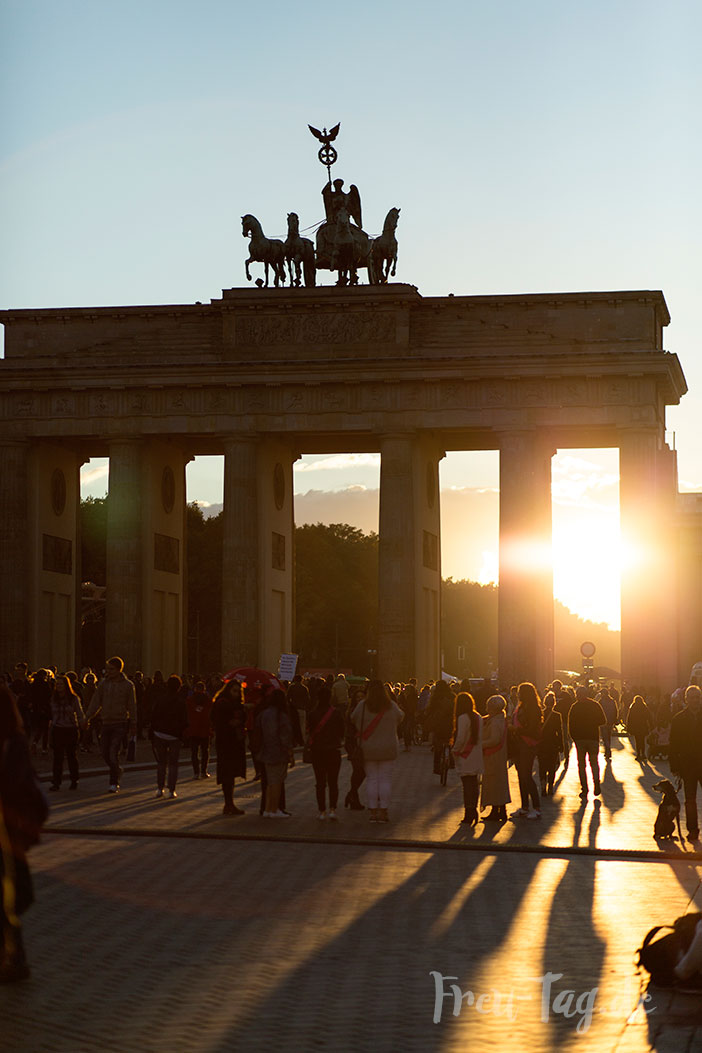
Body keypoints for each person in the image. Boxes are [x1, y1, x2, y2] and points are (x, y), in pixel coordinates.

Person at [0, 684, 47, 982]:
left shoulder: (12, 743)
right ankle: (15, 959)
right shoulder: (14, 742)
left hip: (6, 832)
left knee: (10, 896)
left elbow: (17, 786)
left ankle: (15, 960)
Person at [83, 657, 137, 793]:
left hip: (120, 723)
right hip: (106, 722)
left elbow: (132, 706)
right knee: (104, 752)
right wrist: (87, 717)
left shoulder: (128, 685)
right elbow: (96, 702)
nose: (108, 672)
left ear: (119, 669)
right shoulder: (103, 684)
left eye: (111, 669)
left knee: (113, 752)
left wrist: (134, 723)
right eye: (107, 669)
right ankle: (117, 769)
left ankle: (114, 782)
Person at [352, 679, 402, 823]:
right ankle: (384, 811)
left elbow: (353, 718)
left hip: (368, 748)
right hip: (388, 748)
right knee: (385, 780)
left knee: (372, 780)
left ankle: (373, 812)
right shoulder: (391, 705)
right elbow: (401, 717)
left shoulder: (362, 705)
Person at [669, 685, 702, 843]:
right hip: (688, 765)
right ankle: (693, 830)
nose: (695, 700)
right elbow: (673, 744)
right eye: (692, 698)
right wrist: (675, 766)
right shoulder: (679, 719)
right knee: (690, 799)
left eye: (698, 697)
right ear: (686, 699)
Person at [307, 686, 345, 820]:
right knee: (333, 782)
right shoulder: (336, 713)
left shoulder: (312, 713)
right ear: (330, 698)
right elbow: (342, 731)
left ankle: (321, 811)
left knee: (320, 782)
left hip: (317, 751)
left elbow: (310, 731)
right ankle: (333, 809)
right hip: (333, 750)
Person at [211, 679, 247, 815]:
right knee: (227, 774)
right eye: (234, 691)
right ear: (228, 690)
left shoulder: (236, 705)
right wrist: (231, 723)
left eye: (239, 691)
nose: (237, 694)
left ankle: (230, 803)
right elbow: (217, 721)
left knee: (231, 775)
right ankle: (228, 804)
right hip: (226, 743)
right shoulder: (222, 704)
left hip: (234, 743)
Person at [149, 675, 188, 799]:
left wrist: (152, 731)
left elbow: (154, 716)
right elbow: (184, 720)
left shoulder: (161, 699)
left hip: (160, 734)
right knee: (173, 764)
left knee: (161, 763)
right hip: (175, 736)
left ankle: (160, 789)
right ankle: (172, 790)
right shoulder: (181, 701)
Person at [257, 688, 293, 818]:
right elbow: (285, 737)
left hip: (266, 751)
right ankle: (274, 809)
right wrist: (290, 752)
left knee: (270, 782)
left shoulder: (264, 714)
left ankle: (267, 808)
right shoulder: (282, 716)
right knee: (277, 781)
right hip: (279, 752)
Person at [451, 692, 484, 825]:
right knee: (474, 784)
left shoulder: (463, 718)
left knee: (467, 785)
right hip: (476, 754)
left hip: (466, 754)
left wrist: (455, 750)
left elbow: (460, 738)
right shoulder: (478, 717)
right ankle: (473, 810)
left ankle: (468, 813)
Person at [48, 675, 85, 791]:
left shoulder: (73, 698)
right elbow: (51, 715)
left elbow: (79, 713)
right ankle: (56, 781)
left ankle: (74, 779)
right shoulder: (53, 698)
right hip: (57, 729)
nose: (58, 686)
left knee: (71, 756)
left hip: (70, 729)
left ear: (66, 685)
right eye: (57, 684)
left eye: (61, 684)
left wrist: (82, 724)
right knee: (57, 757)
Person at [512, 682, 543, 819]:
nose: (518, 694)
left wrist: (516, 730)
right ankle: (524, 806)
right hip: (519, 744)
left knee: (526, 775)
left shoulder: (533, 709)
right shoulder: (522, 707)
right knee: (521, 775)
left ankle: (536, 808)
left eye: (520, 691)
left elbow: (532, 728)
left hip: (527, 743)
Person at [568, 685, 606, 799]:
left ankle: (584, 789)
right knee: (594, 762)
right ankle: (596, 783)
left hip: (580, 740)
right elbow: (603, 720)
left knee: (581, 765)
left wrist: (574, 737)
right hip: (593, 738)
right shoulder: (595, 705)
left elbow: (571, 724)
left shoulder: (574, 707)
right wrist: (592, 723)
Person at [480, 695, 510, 821]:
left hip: (493, 755)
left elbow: (494, 740)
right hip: (499, 755)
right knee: (499, 783)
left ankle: (496, 810)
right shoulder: (499, 719)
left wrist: (480, 745)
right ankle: (500, 810)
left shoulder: (495, 722)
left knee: (493, 783)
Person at [185, 680, 214, 779]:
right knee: (205, 751)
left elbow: (186, 714)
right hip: (205, 728)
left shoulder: (189, 700)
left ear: (195, 689)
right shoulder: (208, 700)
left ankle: (196, 772)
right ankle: (203, 771)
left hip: (193, 728)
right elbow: (211, 715)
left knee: (194, 752)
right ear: (204, 690)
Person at [427, 680, 455, 777]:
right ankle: (452, 762)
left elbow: (430, 709)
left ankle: (437, 767)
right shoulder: (452, 696)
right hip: (450, 724)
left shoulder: (435, 697)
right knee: (450, 742)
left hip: (438, 725)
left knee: (438, 746)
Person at [538, 691, 564, 797]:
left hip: (541, 744)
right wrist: (561, 745)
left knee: (542, 767)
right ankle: (550, 787)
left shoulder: (540, 714)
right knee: (551, 767)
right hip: (553, 744)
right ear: (554, 703)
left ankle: (543, 786)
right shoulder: (557, 716)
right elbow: (560, 731)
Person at [626, 693, 653, 762]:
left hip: (636, 727)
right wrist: (651, 725)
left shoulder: (633, 707)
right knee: (642, 740)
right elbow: (649, 716)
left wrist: (628, 727)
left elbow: (630, 718)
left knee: (637, 741)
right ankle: (643, 754)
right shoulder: (644, 707)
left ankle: (638, 755)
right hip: (643, 726)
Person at [597, 685, 619, 761]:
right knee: (608, 737)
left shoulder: (601, 701)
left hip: (603, 722)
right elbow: (616, 711)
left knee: (605, 737)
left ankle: (608, 750)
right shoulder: (612, 701)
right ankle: (607, 750)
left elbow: (598, 712)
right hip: (610, 721)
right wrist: (615, 719)